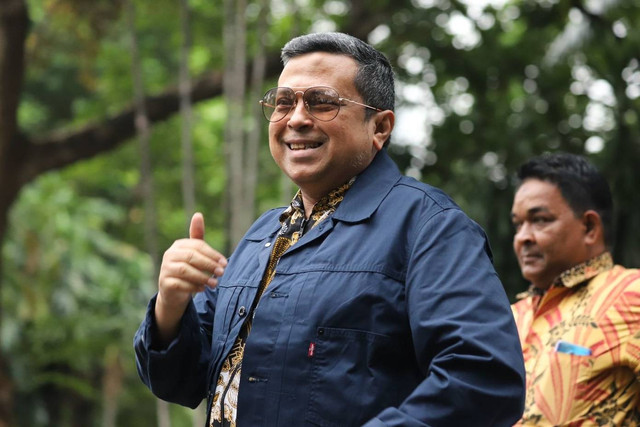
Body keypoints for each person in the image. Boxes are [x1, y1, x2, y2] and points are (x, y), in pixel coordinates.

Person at [134, 31, 525, 427]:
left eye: (322, 103)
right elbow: (183, 381)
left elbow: (483, 379)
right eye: (284, 102)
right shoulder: (261, 237)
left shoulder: (428, 227)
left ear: (380, 128)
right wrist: (170, 304)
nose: (297, 118)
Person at [510, 152, 640, 426]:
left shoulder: (631, 294)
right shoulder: (507, 317)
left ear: (590, 227)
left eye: (540, 220)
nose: (523, 237)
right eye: (518, 224)